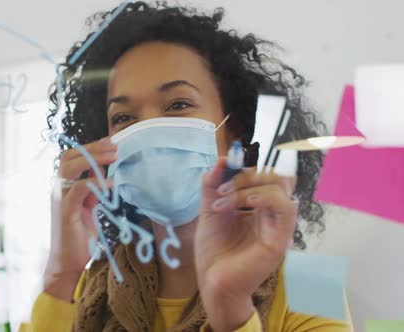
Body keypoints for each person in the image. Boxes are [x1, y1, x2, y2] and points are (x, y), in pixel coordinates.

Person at [24, 2, 353, 331]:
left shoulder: (313, 282)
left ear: (235, 127)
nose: (149, 129)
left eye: (178, 104)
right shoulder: (87, 289)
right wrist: (61, 274)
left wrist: (231, 306)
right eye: (123, 118)